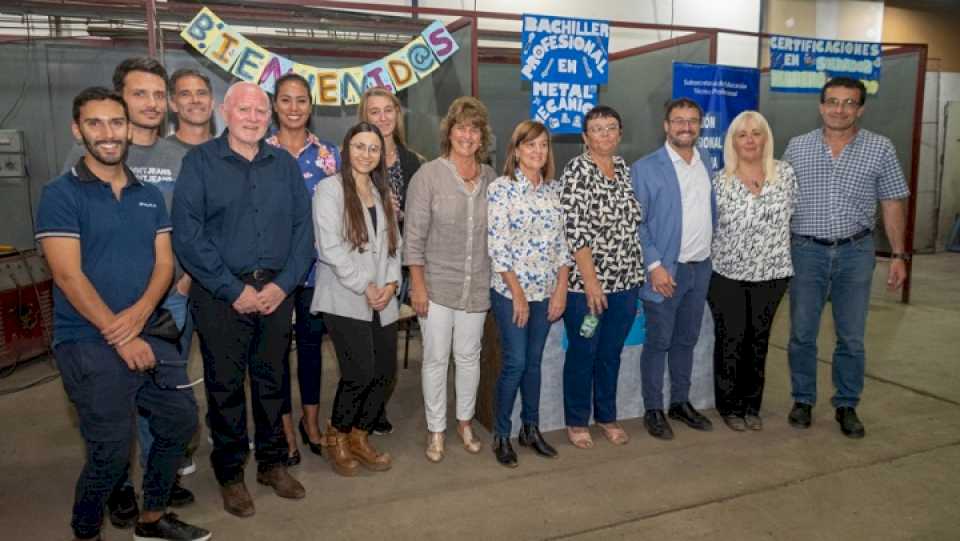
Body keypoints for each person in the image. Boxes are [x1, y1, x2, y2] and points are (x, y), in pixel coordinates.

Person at [37, 86, 209, 541]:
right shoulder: (60, 194)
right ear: (78, 130)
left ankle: (151, 520)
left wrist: (139, 315)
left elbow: (165, 263)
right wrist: (122, 335)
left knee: (179, 420)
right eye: (95, 123)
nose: (108, 134)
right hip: (87, 339)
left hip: (147, 327)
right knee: (111, 452)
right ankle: (86, 528)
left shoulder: (149, 194)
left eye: (116, 123)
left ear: (129, 129)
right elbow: (69, 277)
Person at [172, 82, 314, 517]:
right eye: (244, 110)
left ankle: (272, 464)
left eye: (260, 111)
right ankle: (231, 474)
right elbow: (188, 236)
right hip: (220, 295)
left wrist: (282, 286)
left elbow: (303, 233)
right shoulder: (199, 163)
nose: (253, 117)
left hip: (275, 292)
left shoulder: (285, 166)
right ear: (224, 112)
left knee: (273, 381)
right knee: (225, 387)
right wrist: (232, 290)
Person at [783, 77, 910, 439]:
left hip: (856, 252)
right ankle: (803, 399)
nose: (840, 110)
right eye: (833, 102)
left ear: (861, 108)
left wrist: (899, 255)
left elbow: (892, 202)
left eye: (849, 103)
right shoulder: (797, 147)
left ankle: (846, 404)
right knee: (802, 333)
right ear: (821, 106)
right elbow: (782, 201)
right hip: (806, 251)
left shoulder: (881, 148)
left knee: (851, 337)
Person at [404, 96, 496, 463]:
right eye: (461, 128)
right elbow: (413, 237)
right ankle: (436, 430)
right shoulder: (428, 176)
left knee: (470, 358)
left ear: (482, 136)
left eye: (474, 129)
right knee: (436, 359)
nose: (468, 135)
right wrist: (418, 285)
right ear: (449, 132)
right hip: (437, 285)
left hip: (477, 285)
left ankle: (465, 423)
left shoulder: (491, 178)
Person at [312, 121, 402, 476]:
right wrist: (366, 285)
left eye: (374, 148)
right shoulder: (329, 190)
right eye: (360, 146)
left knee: (385, 373)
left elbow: (395, 244)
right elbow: (330, 247)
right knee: (359, 372)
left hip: (384, 295)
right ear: (346, 149)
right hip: (344, 294)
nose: (367, 154)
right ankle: (337, 435)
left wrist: (392, 284)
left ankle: (360, 436)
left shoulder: (382, 192)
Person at [265, 72, 341, 466]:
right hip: (273, 275)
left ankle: (312, 422)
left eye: (301, 100)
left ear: (311, 106)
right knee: (275, 353)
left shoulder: (328, 155)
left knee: (312, 349)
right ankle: (285, 429)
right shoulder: (259, 151)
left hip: (317, 271)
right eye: (286, 100)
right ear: (274, 104)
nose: (293, 108)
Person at [631, 97, 716, 441]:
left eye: (692, 120)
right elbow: (637, 223)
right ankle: (654, 408)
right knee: (659, 342)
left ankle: (680, 402)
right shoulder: (646, 167)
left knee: (686, 340)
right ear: (666, 126)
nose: (685, 126)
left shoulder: (706, 161)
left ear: (699, 125)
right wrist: (654, 266)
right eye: (678, 121)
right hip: (666, 272)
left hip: (700, 269)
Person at [707, 111, 797, 432]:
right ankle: (729, 405)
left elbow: (793, 218)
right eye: (742, 134)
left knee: (758, 341)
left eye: (756, 133)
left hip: (772, 275)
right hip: (727, 275)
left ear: (765, 138)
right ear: (732, 141)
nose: (749, 140)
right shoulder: (719, 182)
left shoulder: (785, 175)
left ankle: (751, 405)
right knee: (731, 340)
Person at [559, 105, 644, 450]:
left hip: (626, 285)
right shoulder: (576, 171)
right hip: (588, 290)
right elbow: (574, 231)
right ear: (585, 137)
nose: (605, 134)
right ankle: (577, 421)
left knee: (611, 352)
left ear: (620, 133)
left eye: (611, 127)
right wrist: (592, 282)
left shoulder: (624, 169)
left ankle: (606, 416)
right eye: (597, 129)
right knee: (584, 350)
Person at [487, 120, 571, 467]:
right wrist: (518, 295)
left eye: (543, 145)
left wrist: (561, 290)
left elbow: (563, 247)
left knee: (534, 364)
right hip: (511, 293)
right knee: (515, 362)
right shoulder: (501, 189)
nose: (538, 151)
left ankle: (530, 429)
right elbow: (498, 247)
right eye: (530, 145)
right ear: (517, 149)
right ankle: (501, 434)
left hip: (546, 292)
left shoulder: (553, 191)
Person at [357, 86, 423, 435]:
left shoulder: (413, 161)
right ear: (363, 117)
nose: (382, 117)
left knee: (385, 344)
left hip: (398, 264)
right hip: (364, 264)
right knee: (363, 345)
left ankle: (376, 406)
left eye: (388, 110)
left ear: (397, 115)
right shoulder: (357, 156)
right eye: (374, 112)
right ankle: (361, 410)